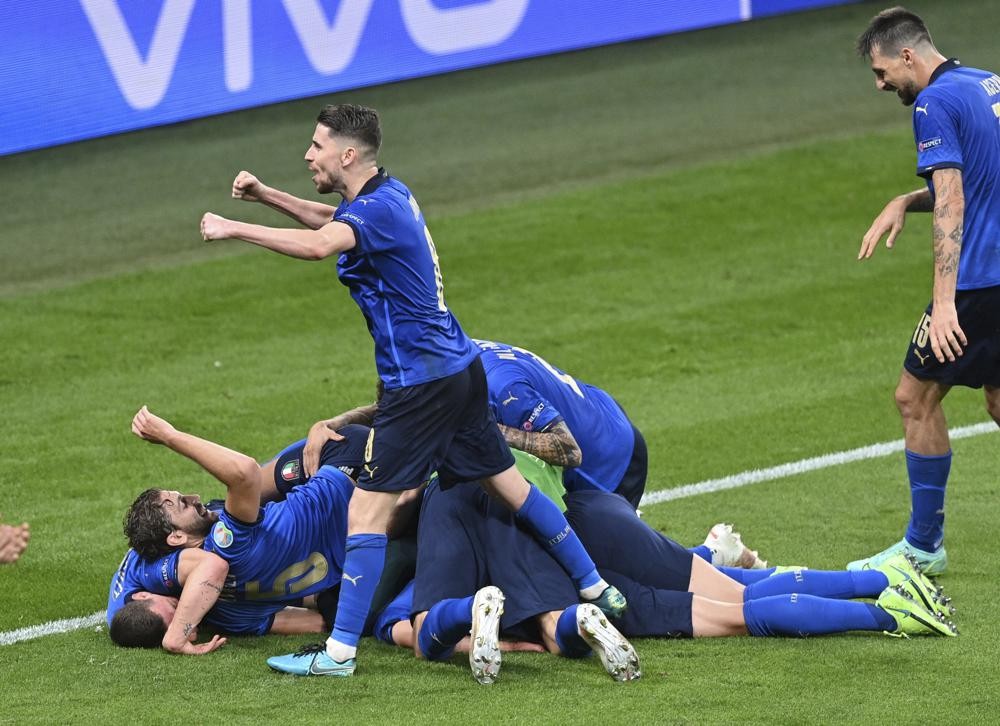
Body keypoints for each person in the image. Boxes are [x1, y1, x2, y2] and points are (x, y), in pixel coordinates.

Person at [199, 103, 624, 677]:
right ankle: (596, 586)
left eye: (317, 145)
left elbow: (321, 244)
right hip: (458, 369)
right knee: (507, 484)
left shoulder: (372, 212)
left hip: (419, 386)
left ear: (347, 155)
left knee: (366, 515)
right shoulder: (385, 197)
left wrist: (232, 227)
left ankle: (340, 653)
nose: (308, 154)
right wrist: (268, 195)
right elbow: (332, 220)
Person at [369, 470, 957, 685]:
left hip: (568, 568)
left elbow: (411, 627)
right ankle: (882, 581)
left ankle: (887, 611)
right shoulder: (497, 411)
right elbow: (576, 453)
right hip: (593, 519)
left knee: (735, 614)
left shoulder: (441, 508)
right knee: (740, 590)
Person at [852, 7, 1000, 574]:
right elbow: (982, 179)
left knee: (914, 398)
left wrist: (944, 304)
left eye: (882, 70)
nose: (881, 83)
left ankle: (922, 548)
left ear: (907, 56)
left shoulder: (933, 103)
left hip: (980, 283)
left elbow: (956, 200)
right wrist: (905, 200)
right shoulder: (985, 83)